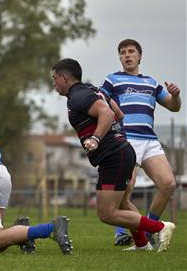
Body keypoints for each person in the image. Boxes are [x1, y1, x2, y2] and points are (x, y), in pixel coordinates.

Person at [51, 58, 175, 252]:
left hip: (114, 156)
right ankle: (142, 244)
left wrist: (96, 139)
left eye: (55, 78)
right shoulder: (91, 89)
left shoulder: (78, 96)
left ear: (65, 78)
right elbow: (119, 113)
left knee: (107, 214)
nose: (53, 82)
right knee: (123, 203)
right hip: (120, 152)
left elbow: (108, 115)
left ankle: (160, 228)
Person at [100, 39, 181, 247]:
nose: (127, 55)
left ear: (139, 56)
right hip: (127, 139)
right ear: (120, 57)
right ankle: (121, 232)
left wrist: (176, 95)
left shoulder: (152, 83)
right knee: (126, 188)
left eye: (131, 52)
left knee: (168, 184)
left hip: (150, 140)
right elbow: (99, 101)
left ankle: (150, 228)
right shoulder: (112, 80)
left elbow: (174, 107)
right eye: (123, 52)